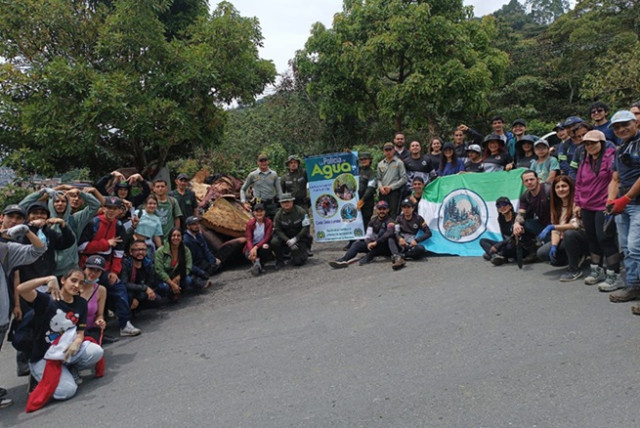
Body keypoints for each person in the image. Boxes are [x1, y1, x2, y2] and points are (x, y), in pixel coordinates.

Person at [17, 272, 104, 406]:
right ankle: (37, 376)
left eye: (80, 283)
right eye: (73, 280)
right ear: (63, 280)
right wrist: (47, 279)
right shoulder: (46, 300)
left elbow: (80, 331)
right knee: (67, 391)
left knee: (96, 351)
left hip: (67, 350)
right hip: (44, 356)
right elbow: (21, 289)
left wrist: (77, 342)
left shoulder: (81, 303)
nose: (76, 285)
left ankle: (68, 368)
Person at [0, 206, 47, 409]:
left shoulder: (8, 249)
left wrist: (27, 230)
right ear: (2, 218)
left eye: (19, 218)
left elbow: (39, 249)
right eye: (11, 217)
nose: (14, 221)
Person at [573, 130, 621, 290]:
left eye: (593, 143)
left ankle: (614, 273)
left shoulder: (610, 158)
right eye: (586, 143)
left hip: (603, 205)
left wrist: (611, 201)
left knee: (604, 238)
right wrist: (577, 203)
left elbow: (615, 180)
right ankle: (596, 270)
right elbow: (579, 184)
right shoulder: (584, 160)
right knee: (592, 238)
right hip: (587, 205)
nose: (589, 146)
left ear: (602, 143)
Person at [604, 110, 640, 308]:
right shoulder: (619, 150)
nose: (621, 129)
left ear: (635, 122)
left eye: (625, 124)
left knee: (637, 248)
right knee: (626, 248)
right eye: (617, 127)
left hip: (636, 203)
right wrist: (611, 200)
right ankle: (633, 285)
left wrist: (626, 198)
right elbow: (615, 179)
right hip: (623, 204)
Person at [536, 176, 588, 281]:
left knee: (569, 234)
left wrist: (553, 226)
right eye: (557, 187)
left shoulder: (577, 203)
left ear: (570, 187)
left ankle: (574, 269)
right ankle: (574, 258)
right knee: (542, 253)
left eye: (564, 186)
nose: (561, 189)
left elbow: (576, 225)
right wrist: (554, 246)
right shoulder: (555, 206)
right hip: (565, 239)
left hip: (583, 238)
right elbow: (555, 231)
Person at [329, 200, 396, 268]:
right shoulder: (373, 220)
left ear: (388, 210)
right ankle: (343, 260)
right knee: (356, 244)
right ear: (376, 210)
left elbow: (389, 232)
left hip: (385, 247)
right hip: (374, 245)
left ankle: (370, 256)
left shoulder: (390, 221)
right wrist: (368, 243)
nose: (382, 211)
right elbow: (368, 235)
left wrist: (376, 242)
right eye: (380, 209)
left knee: (382, 233)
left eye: (384, 209)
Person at [155, 227, 209, 302]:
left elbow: (188, 267)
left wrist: (178, 277)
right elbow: (159, 270)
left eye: (178, 235)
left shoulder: (185, 250)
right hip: (164, 279)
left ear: (181, 237)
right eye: (173, 235)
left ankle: (178, 291)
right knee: (164, 287)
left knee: (188, 280)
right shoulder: (160, 251)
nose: (176, 238)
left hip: (178, 276)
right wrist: (171, 283)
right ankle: (170, 293)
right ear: (169, 237)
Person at [513, 170, 551, 263]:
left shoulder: (549, 190)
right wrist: (516, 224)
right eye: (526, 180)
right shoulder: (525, 196)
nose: (529, 182)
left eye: (532, 179)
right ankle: (532, 251)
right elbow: (521, 213)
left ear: (538, 179)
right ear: (523, 183)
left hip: (556, 225)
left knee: (551, 257)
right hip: (543, 224)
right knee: (523, 225)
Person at [120, 240, 167, 311]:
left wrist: (139, 297)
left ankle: (137, 308)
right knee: (129, 296)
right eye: (137, 250)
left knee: (158, 300)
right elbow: (124, 284)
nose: (140, 252)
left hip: (141, 292)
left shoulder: (148, 263)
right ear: (131, 252)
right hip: (129, 291)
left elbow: (150, 282)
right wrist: (144, 288)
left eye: (143, 249)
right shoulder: (126, 264)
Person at [270, 193, 311, 269]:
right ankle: (280, 261)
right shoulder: (278, 215)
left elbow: (306, 227)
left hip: (298, 238)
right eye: (283, 202)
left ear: (292, 201)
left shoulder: (301, 211)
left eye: (288, 201)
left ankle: (301, 252)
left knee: (298, 262)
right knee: (274, 242)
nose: (286, 204)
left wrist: (296, 239)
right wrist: (288, 241)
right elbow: (278, 230)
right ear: (281, 204)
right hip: (285, 239)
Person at [240, 153, 283, 219]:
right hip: (258, 205)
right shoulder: (253, 175)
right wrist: (244, 202)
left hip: (271, 204)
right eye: (261, 161)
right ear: (257, 162)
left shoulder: (274, 174)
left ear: (268, 161)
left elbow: (279, 190)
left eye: (265, 161)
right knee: (258, 225)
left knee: (273, 224)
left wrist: (282, 202)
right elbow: (243, 189)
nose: (263, 163)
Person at [390, 199, 432, 264]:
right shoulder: (399, 218)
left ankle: (403, 256)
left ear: (413, 208)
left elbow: (428, 233)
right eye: (404, 207)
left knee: (421, 249)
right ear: (402, 209)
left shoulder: (418, 218)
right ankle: (396, 256)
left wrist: (417, 240)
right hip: (402, 243)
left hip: (412, 245)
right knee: (390, 238)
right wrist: (399, 238)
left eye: (408, 207)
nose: (406, 210)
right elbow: (396, 231)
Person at [479, 197, 518, 265]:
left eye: (504, 204)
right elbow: (504, 237)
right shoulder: (501, 219)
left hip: (516, 244)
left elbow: (515, 237)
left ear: (510, 206)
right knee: (483, 241)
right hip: (505, 244)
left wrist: (498, 245)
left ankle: (497, 255)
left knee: (509, 247)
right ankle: (495, 256)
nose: (502, 207)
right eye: (499, 206)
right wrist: (499, 245)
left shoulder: (517, 217)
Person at [79, 263, 107, 343]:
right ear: (84, 269)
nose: (93, 273)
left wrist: (100, 320)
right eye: (91, 269)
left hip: (91, 329)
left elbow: (100, 314)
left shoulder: (101, 290)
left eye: (98, 271)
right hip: (75, 329)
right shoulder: (74, 287)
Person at [377, 142, 407, 215]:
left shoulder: (399, 163)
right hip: (383, 192)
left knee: (394, 213)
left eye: (390, 150)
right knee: (382, 212)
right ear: (384, 151)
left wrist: (391, 187)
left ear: (394, 150)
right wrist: (380, 187)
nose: (388, 152)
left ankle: (392, 226)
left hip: (394, 192)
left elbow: (404, 178)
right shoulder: (380, 164)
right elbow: (378, 178)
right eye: (386, 150)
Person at [244, 204, 273, 276]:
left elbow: (267, 237)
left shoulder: (268, 222)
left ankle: (261, 263)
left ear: (264, 212)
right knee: (248, 254)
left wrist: (256, 247)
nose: (259, 214)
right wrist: (251, 250)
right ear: (253, 213)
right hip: (252, 245)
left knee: (266, 247)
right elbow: (249, 239)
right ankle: (256, 263)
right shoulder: (250, 223)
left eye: (261, 211)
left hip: (262, 244)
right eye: (257, 212)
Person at [357, 152, 376, 229]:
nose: (363, 161)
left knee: (365, 222)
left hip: (367, 202)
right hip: (354, 201)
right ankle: (352, 241)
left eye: (365, 159)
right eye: (361, 159)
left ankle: (364, 240)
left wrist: (363, 200)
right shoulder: (357, 170)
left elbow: (371, 188)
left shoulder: (372, 173)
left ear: (370, 160)